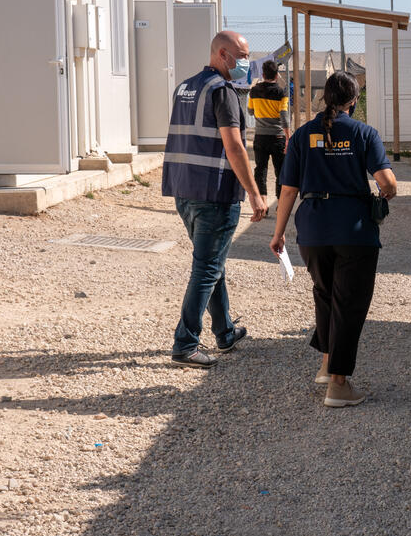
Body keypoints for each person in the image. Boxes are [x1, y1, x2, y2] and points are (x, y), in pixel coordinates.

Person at [269, 71, 396, 408]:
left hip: (311, 231)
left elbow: (288, 190)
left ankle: (327, 365)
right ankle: (338, 385)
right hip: (353, 231)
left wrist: (279, 232)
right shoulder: (364, 133)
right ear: (353, 101)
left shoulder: (301, 136)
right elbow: (388, 182)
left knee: (326, 296)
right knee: (349, 304)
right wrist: (381, 197)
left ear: (324, 98)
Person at [162, 30, 267, 369]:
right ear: (223, 55)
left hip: (184, 189)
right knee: (207, 267)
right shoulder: (223, 92)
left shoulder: (185, 87)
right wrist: (254, 192)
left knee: (213, 263)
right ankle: (185, 343)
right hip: (214, 193)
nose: (246, 63)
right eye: (242, 55)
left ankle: (224, 332)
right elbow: (234, 146)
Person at [248, 59, 290, 214]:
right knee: (280, 171)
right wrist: (288, 136)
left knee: (261, 169)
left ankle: (264, 205)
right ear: (277, 75)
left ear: (263, 74)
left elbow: (250, 111)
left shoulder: (254, 91)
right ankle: (280, 205)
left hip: (260, 136)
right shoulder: (281, 92)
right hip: (278, 137)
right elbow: (284, 115)